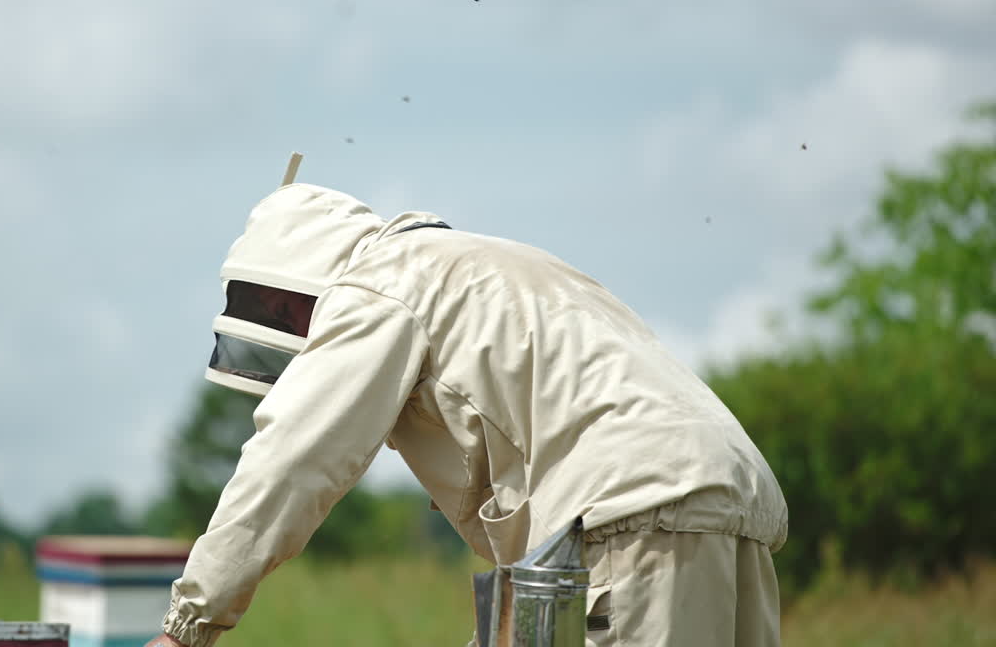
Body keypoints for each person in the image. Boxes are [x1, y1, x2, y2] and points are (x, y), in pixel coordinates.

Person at [147, 174, 788, 647]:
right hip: (727, 494)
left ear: (294, 287)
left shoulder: (378, 284)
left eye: (279, 308)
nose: (288, 324)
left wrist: (186, 626)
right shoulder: (482, 264)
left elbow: (293, 459)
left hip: (636, 511)